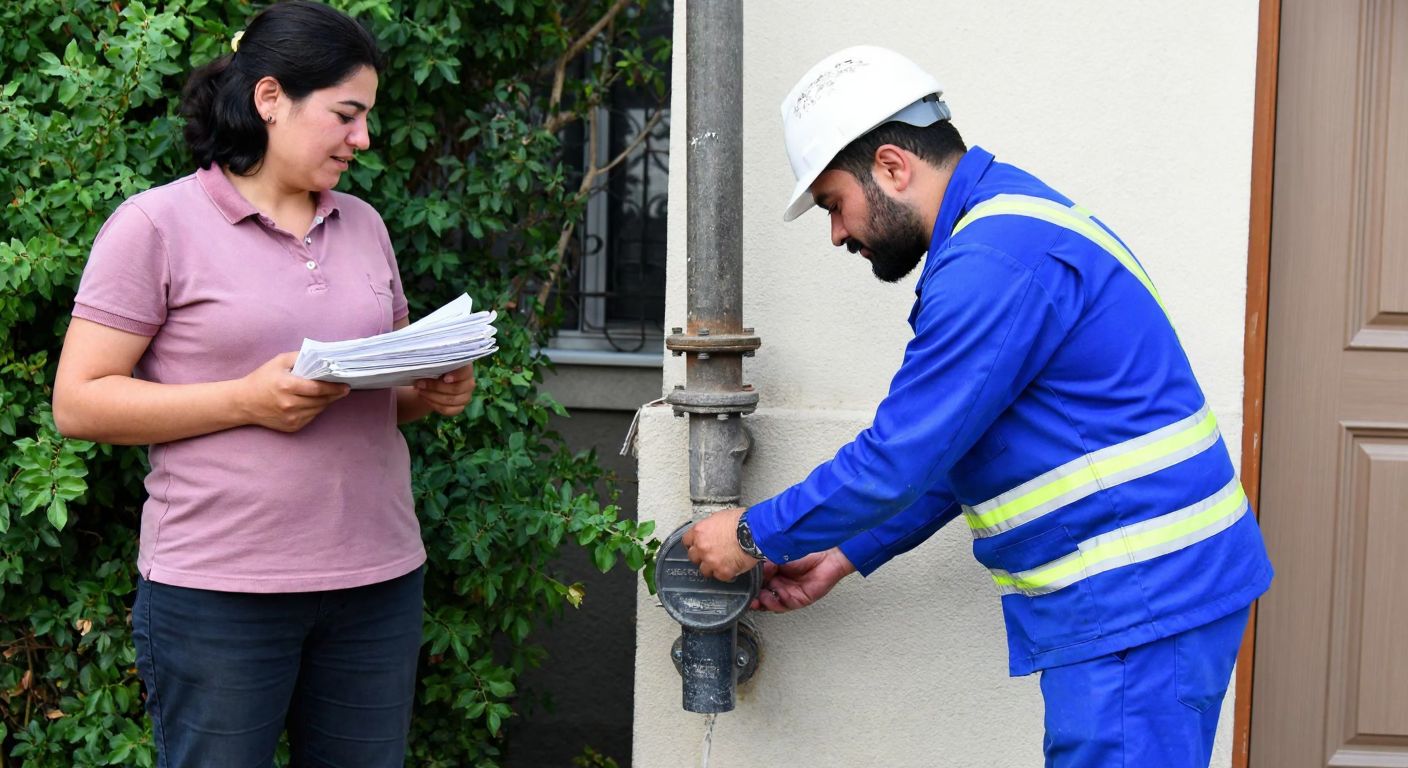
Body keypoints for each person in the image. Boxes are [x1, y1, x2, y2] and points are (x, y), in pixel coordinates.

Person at [682, 45, 1274, 767]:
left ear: (894, 166)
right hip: (1148, 599)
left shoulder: (993, 263)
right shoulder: (1008, 228)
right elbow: (959, 445)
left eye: (835, 203)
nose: (838, 233)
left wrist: (749, 535)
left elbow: (897, 457)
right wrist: (844, 551)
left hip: (1137, 606)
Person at [50, 3, 473, 765]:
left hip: (376, 584)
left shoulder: (366, 226)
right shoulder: (155, 226)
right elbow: (78, 402)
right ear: (271, 98)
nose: (363, 139)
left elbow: (372, 395)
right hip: (219, 593)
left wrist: (427, 390)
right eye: (347, 115)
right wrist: (243, 399)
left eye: (368, 118)